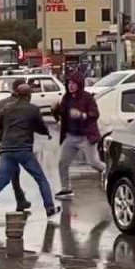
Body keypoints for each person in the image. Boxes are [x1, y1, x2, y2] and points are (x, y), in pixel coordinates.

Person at [0, 83, 59, 224]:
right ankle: (50, 208)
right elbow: (40, 126)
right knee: (40, 178)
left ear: (17, 94)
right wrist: (46, 133)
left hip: (7, 149)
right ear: (29, 96)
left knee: (0, 181)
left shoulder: (7, 108)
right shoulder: (33, 109)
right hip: (24, 150)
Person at [53, 71, 105, 199]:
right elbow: (62, 114)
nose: (71, 86)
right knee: (62, 163)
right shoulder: (67, 98)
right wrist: (55, 109)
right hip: (70, 136)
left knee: (93, 163)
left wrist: (81, 115)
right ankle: (66, 189)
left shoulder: (87, 97)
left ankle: (109, 173)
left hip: (86, 137)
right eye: (69, 83)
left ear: (79, 84)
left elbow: (95, 114)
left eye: (73, 83)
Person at [0, 77, 30, 213]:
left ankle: (21, 200)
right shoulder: (19, 105)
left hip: (2, 143)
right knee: (4, 176)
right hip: (12, 145)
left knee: (12, 173)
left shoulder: (3, 103)